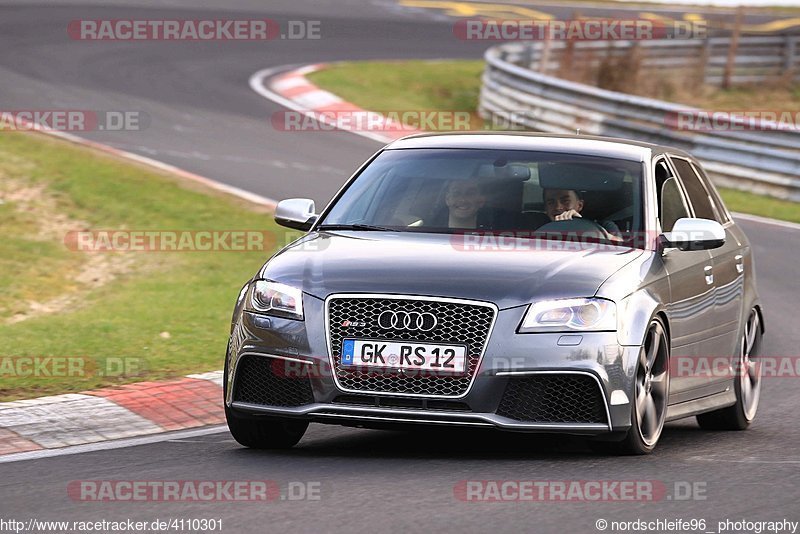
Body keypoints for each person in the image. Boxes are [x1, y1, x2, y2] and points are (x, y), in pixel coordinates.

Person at [543, 188, 622, 238]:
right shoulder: (535, 227)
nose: (558, 207)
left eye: (565, 201)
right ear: (546, 208)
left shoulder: (605, 226)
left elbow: (620, 247)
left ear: (579, 205)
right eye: (551, 202)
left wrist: (583, 226)